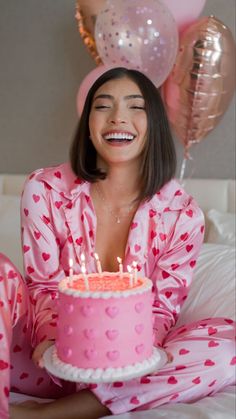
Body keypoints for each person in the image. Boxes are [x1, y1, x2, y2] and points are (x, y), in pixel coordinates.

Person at [0, 67, 235, 419]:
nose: (118, 118)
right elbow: (44, 284)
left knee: (227, 343)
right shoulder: (44, 189)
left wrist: (131, 354)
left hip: (130, 368)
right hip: (42, 361)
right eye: (103, 106)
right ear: (88, 121)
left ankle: (52, 414)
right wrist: (52, 339)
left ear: (153, 121)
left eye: (135, 107)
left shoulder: (181, 213)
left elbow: (161, 309)